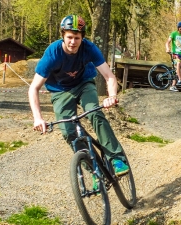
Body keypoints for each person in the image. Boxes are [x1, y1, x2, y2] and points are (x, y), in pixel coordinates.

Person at [28, 14, 129, 176]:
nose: (72, 42)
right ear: (63, 36)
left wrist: (111, 96)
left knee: (95, 113)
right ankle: (95, 171)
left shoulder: (89, 49)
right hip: (60, 91)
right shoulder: (52, 54)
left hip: (84, 84)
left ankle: (116, 158)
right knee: (68, 132)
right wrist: (37, 118)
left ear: (82, 38)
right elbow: (33, 88)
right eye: (69, 37)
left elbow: (109, 76)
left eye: (76, 38)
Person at [165, 21, 181, 92]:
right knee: (178, 64)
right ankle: (180, 79)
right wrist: (167, 48)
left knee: (178, 69)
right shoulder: (173, 34)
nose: (180, 29)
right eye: (179, 28)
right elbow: (167, 42)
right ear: (178, 28)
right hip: (175, 53)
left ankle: (173, 86)